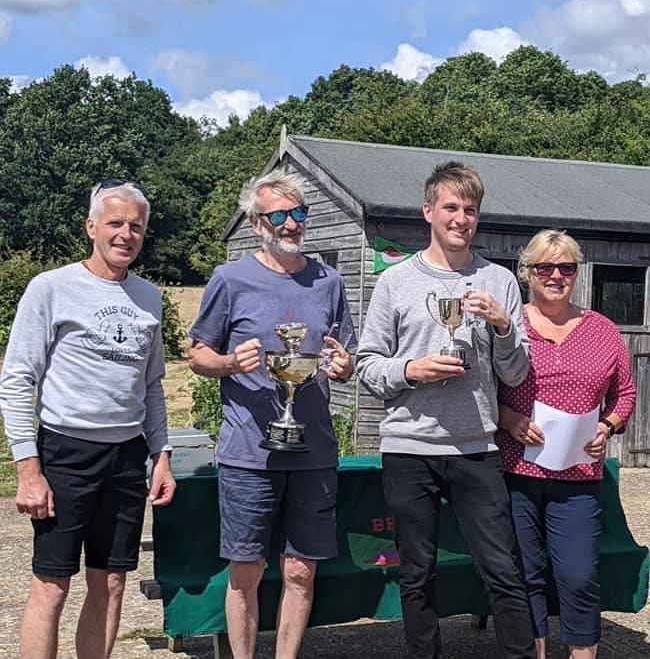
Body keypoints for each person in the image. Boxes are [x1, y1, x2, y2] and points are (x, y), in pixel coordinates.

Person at [356, 161, 536, 659]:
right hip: (408, 449)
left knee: (502, 568)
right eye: (451, 207)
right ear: (429, 211)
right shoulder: (396, 282)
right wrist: (412, 370)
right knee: (416, 572)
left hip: (476, 447)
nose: (461, 218)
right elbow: (368, 366)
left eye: (471, 210)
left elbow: (517, 373)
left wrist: (503, 327)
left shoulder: (499, 281)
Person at [0, 179, 176, 659]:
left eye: (135, 226)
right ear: (92, 227)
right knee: (52, 585)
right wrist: (28, 470)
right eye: (115, 223)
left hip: (126, 457)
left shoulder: (149, 299)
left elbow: (151, 387)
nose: (125, 234)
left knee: (113, 581)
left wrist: (161, 457)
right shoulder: (52, 288)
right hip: (65, 452)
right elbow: (17, 380)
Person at [187, 169, 356, 659]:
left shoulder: (329, 281)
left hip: (314, 450)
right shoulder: (230, 278)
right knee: (247, 571)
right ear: (258, 221)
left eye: (297, 213)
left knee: (302, 570)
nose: (289, 224)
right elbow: (197, 354)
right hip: (247, 452)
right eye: (278, 215)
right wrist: (226, 363)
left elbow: (344, 354)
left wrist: (344, 366)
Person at [496, 230, 636, 659]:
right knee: (528, 574)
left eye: (566, 267)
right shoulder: (510, 326)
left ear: (577, 273)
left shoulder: (602, 329)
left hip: (578, 474)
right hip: (517, 470)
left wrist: (608, 426)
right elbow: (480, 388)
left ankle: (581, 654)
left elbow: (625, 393)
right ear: (528, 273)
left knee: (577, 574)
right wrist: (510, 419)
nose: (556, 275)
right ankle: (534, 652)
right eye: (545, 267)